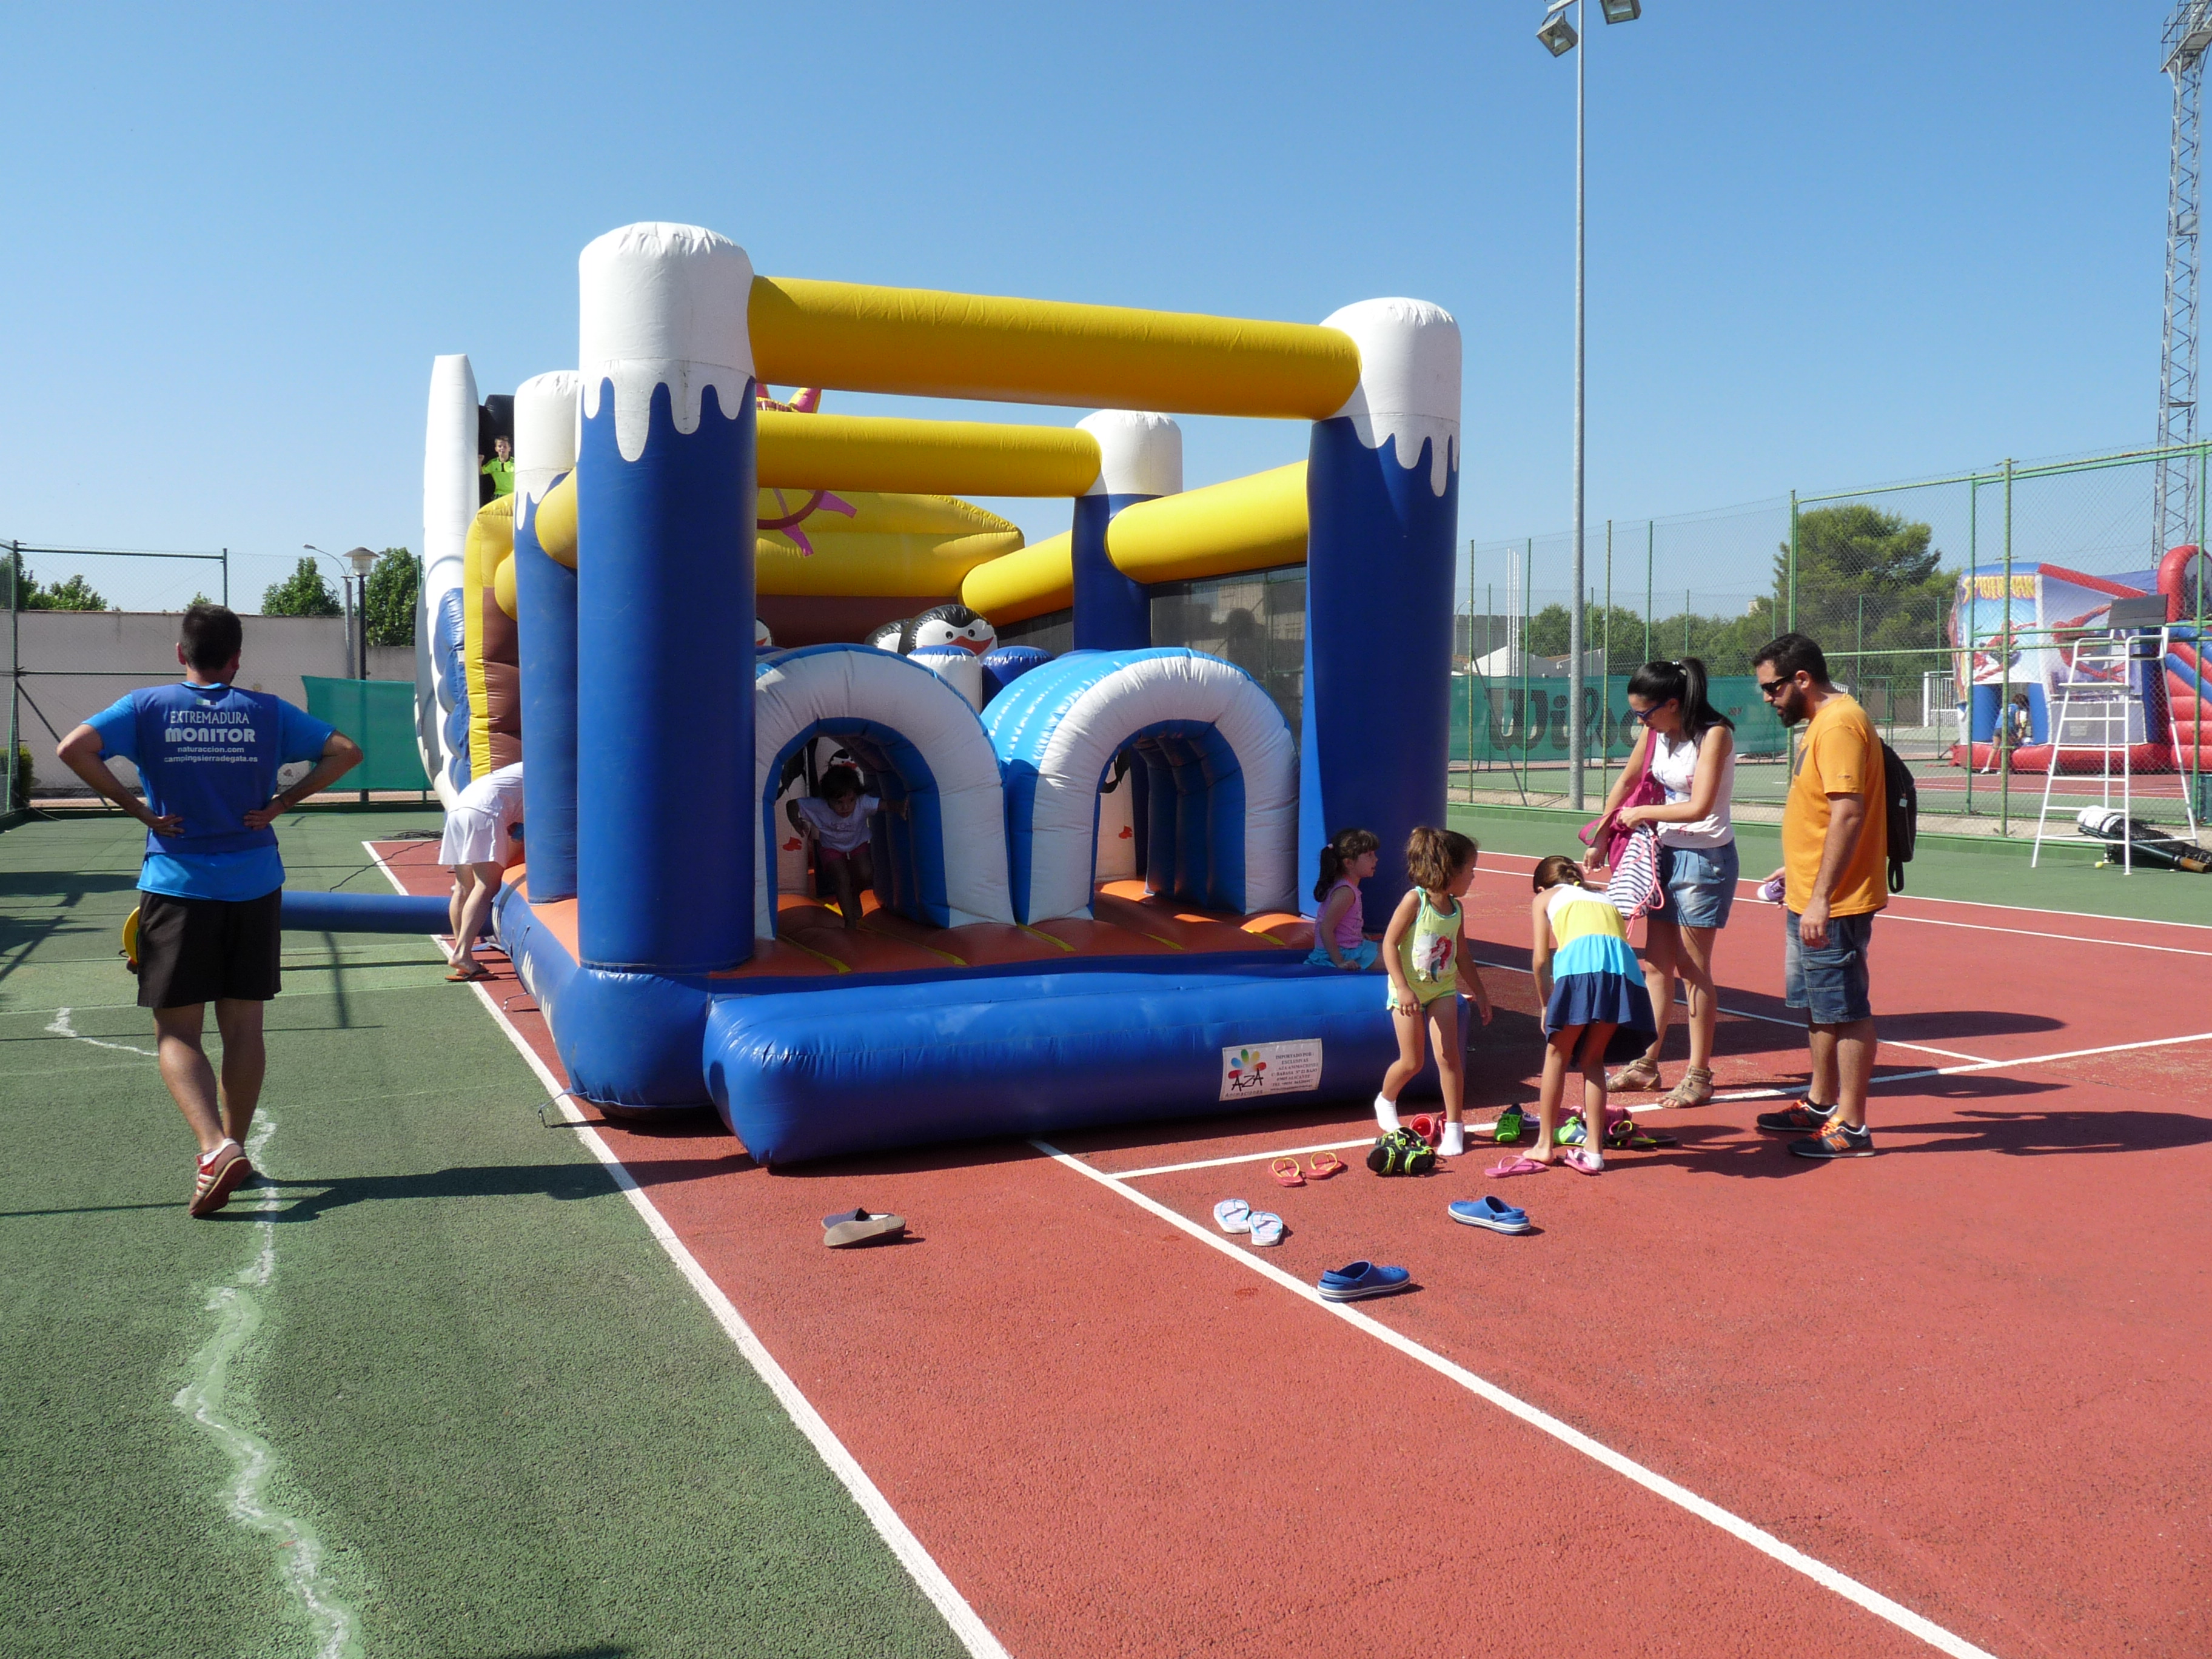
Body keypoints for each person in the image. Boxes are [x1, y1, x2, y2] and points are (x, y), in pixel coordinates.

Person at [55, 603, 362, 1217]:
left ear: (181, 653)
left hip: (178, 884)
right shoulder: (267, 710)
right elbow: (346, 752)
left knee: (177, 1030)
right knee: (244, 1026)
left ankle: (214, 1147)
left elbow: (73, 748)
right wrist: (281, 803)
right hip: (255, 881)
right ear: (237, 658)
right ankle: (234, 1148)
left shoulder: (146, 706)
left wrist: (138, 810)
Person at [1749, 632, 1888, 1159]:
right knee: (1819, 1006)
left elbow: (1848, 812)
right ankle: (1820, 1102)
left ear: (1802, 679)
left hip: (1835, 901)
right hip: (1810, 891)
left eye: (1773, 688)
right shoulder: (1821, 723)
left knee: (1845, 1008)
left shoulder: (1839, 724)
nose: (1769, 698)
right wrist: (1800, 868)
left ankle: (1852, 1126)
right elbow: (1823, 812)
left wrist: (1822, 896)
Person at [1591, 657, 1738, 1107]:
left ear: (1672, 703)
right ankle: (1646, 1064)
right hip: (1662, 854)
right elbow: (1629, 779)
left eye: (1645, 713)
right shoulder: (1656, 733)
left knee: (1693, 971)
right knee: (1656, 967)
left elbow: (1699, 807)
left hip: (1704, 860)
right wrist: (1602, 833)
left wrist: (1641, 814)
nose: (1640, 722)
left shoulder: (1715, 735)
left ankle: (1699, 1075)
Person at [1494, 855, 1657, 1177]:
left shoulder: (1544, 898)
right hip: (1623, 974)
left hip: (1581, 970)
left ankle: (1544, 1146)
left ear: (1541, 887)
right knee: (1593, 1059)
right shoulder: (1602, 896)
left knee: (1556, 1053)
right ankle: (1594, 1153)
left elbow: (1541, 959)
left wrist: (1546, 1005)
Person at [1373, 827, 1493, 1158]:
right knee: (1412, 1061)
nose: (1474, 876)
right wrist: (1402, 988)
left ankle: (1455, 1126)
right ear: (1450, 870)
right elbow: (1389, 944)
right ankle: (1386, 1100)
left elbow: (1462, 954)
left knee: (1449, 1058)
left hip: (1442, 990)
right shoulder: (1416, 901)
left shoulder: (1456, 909)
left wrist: (1480, 992)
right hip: (1409, 991)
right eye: (1470, 869)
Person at [786, 765, 905, 931]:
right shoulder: (818, 806)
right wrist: (796, 821)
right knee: (841, 879)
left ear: (857, 797)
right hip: (831, 847)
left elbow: (885, 805)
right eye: (839, 803)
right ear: (827, 800)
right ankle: (850, 923)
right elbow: (792, 805)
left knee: (866, 874)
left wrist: (901, 807)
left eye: (851, 801)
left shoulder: (863, 802)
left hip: (857, 843)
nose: (846, 807)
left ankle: (854, 894)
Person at [440, 759, 525, 982]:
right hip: (484, 810)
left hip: (459, 808)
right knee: (487, 885)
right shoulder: (554, 773)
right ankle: (462, 954)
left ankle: (463, 956)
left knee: (463, 887)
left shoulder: (522, 769)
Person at [1305, 827, 1381, 970]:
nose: (1376, 859)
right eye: (1369, 855)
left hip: (1353, 946)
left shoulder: (1347, 887)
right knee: (1400, 962)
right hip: (1341, 953)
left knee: (1396, 952)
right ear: (1349, 863)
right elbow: (1325, 929)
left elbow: (1342, 925)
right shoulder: (1345, 892)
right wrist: (1340, 962)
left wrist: (1355, 935)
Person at [1979, 690, 2031, 774]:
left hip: (1997, 728)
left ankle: (1987, 767)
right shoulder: (2017, 708)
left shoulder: (2005, 707)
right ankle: (2004, 769)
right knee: (2007, 748)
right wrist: (2021, 728)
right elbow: (2017, 721)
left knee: (1995, 748)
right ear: (2022, 703)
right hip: (2008, 728)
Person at [481, 434, 515, 499]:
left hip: (513, 494)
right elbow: (481, 472)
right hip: (498, 495)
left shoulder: (516, 463)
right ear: (496, 449)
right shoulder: (493, 463)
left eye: (505, 447)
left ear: (509, 449)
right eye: (500, 446)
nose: (502, 448)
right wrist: (480, 461)